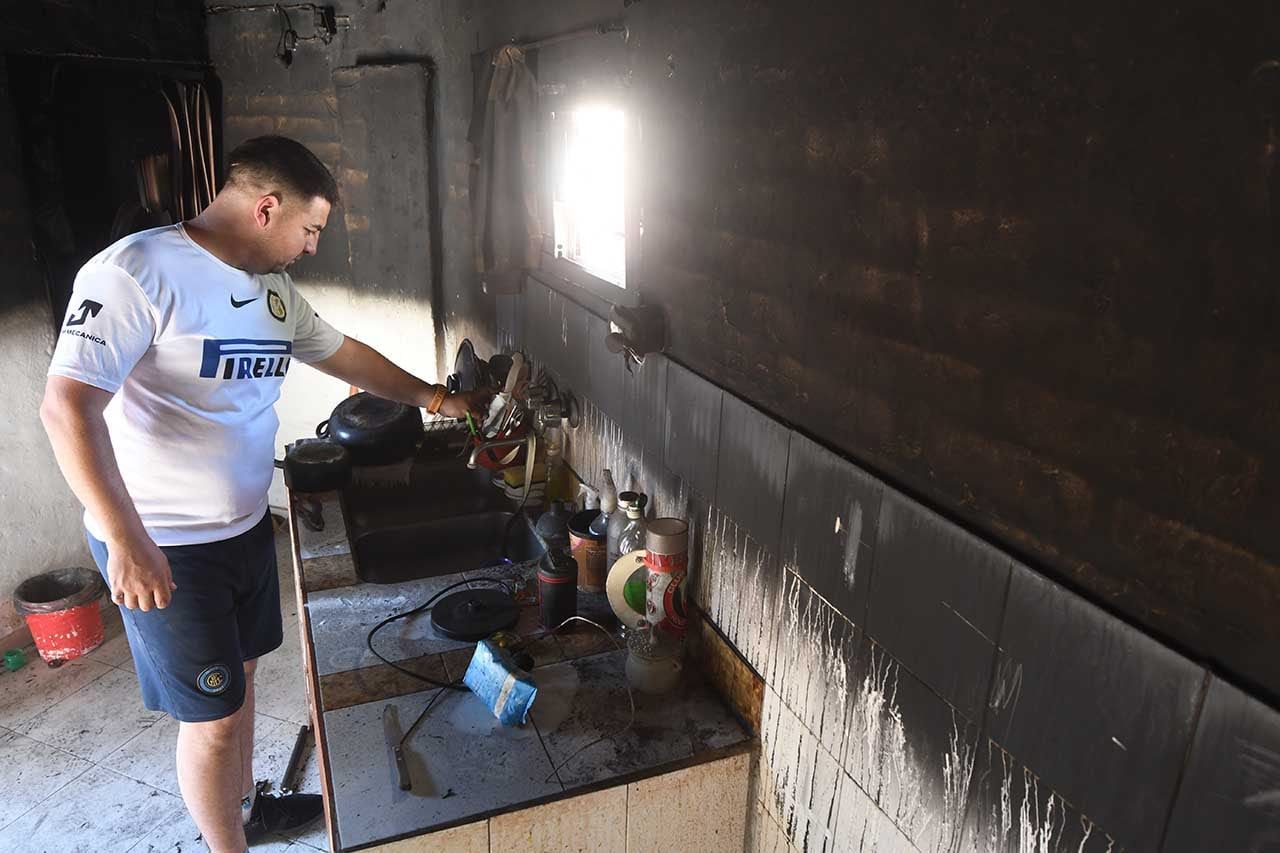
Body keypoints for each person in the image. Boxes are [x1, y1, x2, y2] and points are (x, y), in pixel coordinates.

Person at [39, 135, 490, 852]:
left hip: (242, 529)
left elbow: (347, 356)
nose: (311, 248)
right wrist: (125, 538)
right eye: (310, 230)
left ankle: (249, 807)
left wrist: (437, 395)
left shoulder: (270, 291)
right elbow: (67, 407)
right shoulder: (137, 272)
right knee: (213, 716)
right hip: (164, 543)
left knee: (239, 688)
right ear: (267, 207)